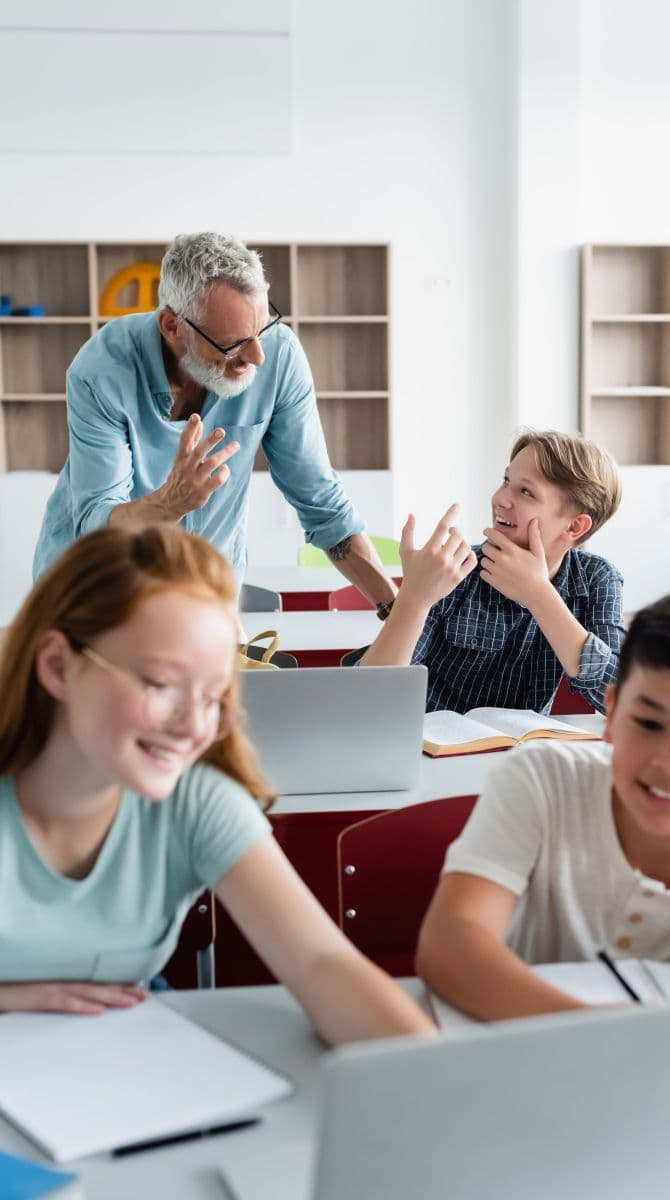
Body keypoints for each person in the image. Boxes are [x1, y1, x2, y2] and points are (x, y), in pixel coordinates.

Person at [0, 524, 433, 1042]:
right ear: (57, 667)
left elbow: (322, 963)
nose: (193, 727)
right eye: (160, 684)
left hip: (122, 1061)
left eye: (212, 697)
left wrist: (427, 1065)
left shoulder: (194, 798)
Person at [416, 592, 670, 1020]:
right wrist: (606, 1038)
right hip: (531, 1044)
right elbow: (450, 946)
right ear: (612, 715)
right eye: (649, 723)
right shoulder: (545, 780)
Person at [32, 232, 396, 614]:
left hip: (206, 599)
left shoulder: (278, 356)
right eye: (233, 343)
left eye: (261, 330)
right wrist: (167, 505)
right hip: (98, 593)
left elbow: (322, 503)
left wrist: (396, 605)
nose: (256, 357)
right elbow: (96, 525)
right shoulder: (101, 372)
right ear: (172, 326)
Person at [361, 429, 624, 714]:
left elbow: (622, 701)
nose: (499, 498)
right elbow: (371, 699)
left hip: (522, 744)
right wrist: (414, 599)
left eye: (525, 491)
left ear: (574, 527)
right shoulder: (455, 571)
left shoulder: (597, 578)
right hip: (431, 740)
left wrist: (538, 594)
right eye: (506, 480)